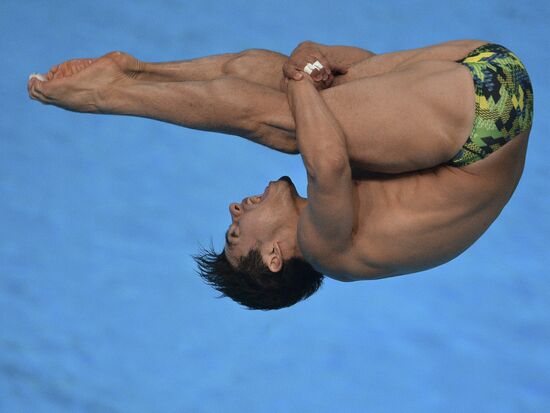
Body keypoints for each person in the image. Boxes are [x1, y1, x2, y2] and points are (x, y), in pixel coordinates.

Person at [27, 39, 533, 310]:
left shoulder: (352, 209)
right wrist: (304, 79)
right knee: (292, 128)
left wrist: (312, 65)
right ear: (273, 256)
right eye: (233, 234)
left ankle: (138, 70)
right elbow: (327, 162)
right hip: (485, 108)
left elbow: (355, 72)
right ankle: (107, 95)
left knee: (276, 85)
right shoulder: (326, 250)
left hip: (484, 92)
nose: (232, 210)